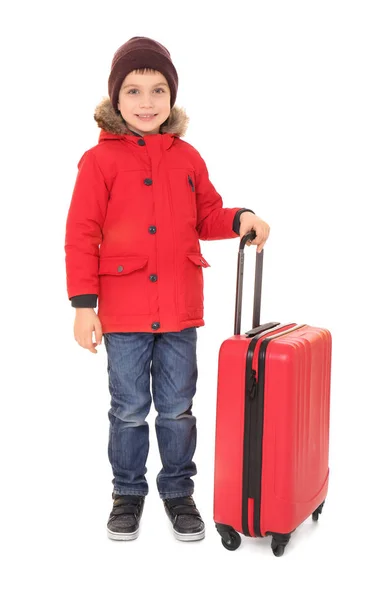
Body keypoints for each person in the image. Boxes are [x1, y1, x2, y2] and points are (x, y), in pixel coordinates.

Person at [64, 36, 270, 543]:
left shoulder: (187, 156)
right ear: (116, 100)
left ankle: (178, 491)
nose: (147, 102)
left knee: (178, 407)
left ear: (172, 98)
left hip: (179, 311)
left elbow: (206, 214)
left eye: (158, 90)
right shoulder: (98, 162)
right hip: (124, 314)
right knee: (129, 409)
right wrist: (84, 306)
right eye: (133, 91)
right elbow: (80, 234)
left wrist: (239, 216)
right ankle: (127, 493)